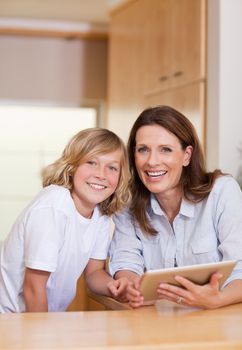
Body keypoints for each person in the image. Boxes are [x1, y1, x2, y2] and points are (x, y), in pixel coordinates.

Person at [109, 105, 242, 309]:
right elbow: (126, 260)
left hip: (220, 319)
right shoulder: (127, 203)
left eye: (166, 150)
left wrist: (218, 299)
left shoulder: (222, 192)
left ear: (187, 156)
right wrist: (129, 283)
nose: (152, 161)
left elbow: (240, 267)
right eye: (143, 150)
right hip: (159, 321)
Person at [0, 128, 130, 313]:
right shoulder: (55, 205)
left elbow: (94, 273)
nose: (101, 174)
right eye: (92, 162)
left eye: (112, 167)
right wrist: (44, 339)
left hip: (44, 321)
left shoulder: (100, 213)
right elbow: (33, 288)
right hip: (9, 321)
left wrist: (114, 287)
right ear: (72, 167)